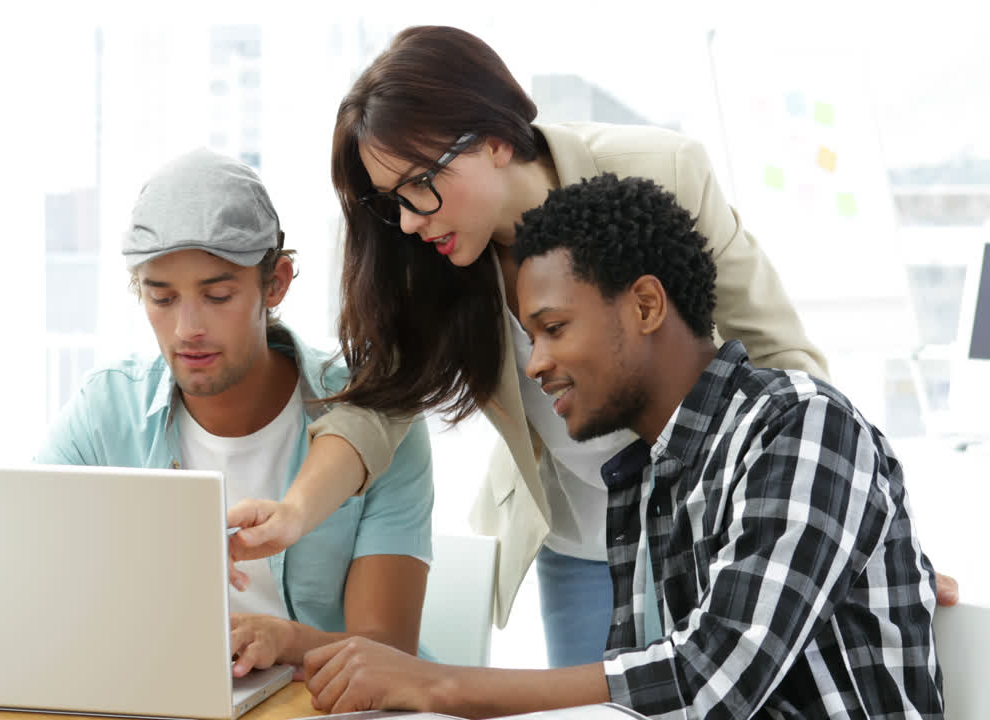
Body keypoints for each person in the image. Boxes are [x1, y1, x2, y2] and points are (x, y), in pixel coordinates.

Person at [228, 23, 957, 670]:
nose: (410, 222)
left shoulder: (660, 172)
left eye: (420, 186)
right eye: (390, 202)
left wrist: (859, 529)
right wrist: (293, 513)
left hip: (707, 517)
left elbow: (782, 358)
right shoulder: (431, 258)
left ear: (494, 137)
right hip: (575, 535)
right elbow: (377, 410)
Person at [300, 173, 943, 719]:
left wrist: (434, 683)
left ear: (644, 305)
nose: (535, 364)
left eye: (553, 329)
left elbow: (705, 684)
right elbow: (631, 703)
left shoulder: (801, 423)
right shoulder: (642, 478)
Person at [34, 148, 435, 677]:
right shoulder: (106, 409)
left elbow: (391, 651)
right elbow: (27, 570)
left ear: (276, 283)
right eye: (162, 299)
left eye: (218, 295)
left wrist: (287, 641)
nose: (186, 329)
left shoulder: (376, 412)